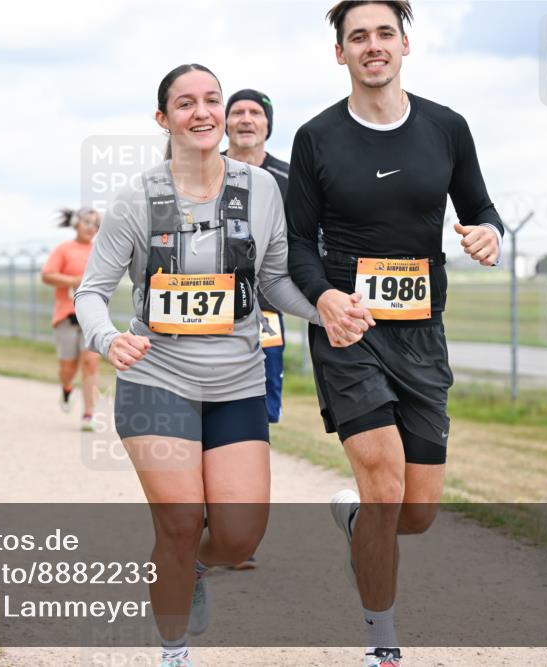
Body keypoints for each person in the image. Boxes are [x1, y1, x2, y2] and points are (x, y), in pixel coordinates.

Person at [75, 63, 371, 667]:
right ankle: (174, 651)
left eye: (212, 99)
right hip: (156, 379)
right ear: (164, 119)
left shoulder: (262, 191)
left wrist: (324, 309)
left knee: (238, 537)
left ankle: (194, 570)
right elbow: (90, 293)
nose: (203, 112)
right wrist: (108, 340)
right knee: (180, 523)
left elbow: (273, 283)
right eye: (186, 103)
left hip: (236, 379)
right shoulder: (137, 198)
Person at [285, 3, 504, 665]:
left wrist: (488, 230)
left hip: (422, 337)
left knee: (416, 511)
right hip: (350, 331)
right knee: (384, 485)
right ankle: (382, 643)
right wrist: (324, 296)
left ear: (405, 44)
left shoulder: (446, 127)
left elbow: (480, 207)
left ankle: (356, 523)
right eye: (358, 37)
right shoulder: (316, 137)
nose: (372, 46)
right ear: (340, 53)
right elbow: (297, 243)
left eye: (384, 34)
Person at [222, 88, 291, 571]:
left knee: (257, 417)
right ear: (225, 123)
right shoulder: (205, 169)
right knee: (207, 408)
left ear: (268, 124)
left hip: (266, 314)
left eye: (255, 113)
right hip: (205, 311)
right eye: (238, 112)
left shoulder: (289, 178)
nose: (246, 120)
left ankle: (239, 530)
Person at [41, 208, 102, 431]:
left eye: (95, 224)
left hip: (93, 316)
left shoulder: (101, 251)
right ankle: (66, 387)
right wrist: (74, 280)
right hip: (67, 316)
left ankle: (88, 414)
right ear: (76, 223)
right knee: (68, 367)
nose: (90, 228)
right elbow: (47, 275)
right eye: (86, 222)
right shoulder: (64, 250)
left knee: (90, 361)